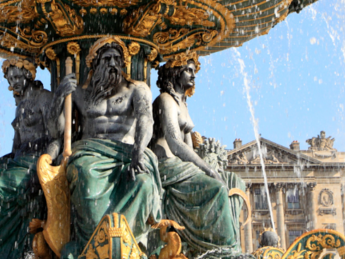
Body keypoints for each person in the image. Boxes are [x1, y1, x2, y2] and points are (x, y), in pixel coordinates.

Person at [56, 37, 161, 257]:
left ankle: (129, 244)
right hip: (90, 154)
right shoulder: (79, 93)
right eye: (106, 59)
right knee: (84, 175)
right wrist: (59, 96)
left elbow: (146, 119)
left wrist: (139, 151)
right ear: (94, 65)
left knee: (143, 182)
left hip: (128, 152)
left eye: (117, 59)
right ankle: (94, 244)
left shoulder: (137, 89)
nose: (113, 63)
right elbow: (58, 131)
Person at [0, 59, 69, 259]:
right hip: (18, 162)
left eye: (18, 77)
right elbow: (16, 148)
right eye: (11, 79)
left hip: (35, 162)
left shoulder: (44, 98)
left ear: (29, 75)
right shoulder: (20, 106)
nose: (15, 82)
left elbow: (57, 137)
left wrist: (45, 163)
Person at [151, 52, 241, 257]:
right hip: (165, 165)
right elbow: (174, 143)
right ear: (176, 72)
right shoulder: (166, 100)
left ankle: (221, 242)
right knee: (217, 188)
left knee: (232, 181)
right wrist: (208, 170)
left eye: (194, 71)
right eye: (189, 70)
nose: (193, 76)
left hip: (179, 165)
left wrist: (208, 169)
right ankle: (223, 250)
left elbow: (188, 149)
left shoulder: (182, 104)